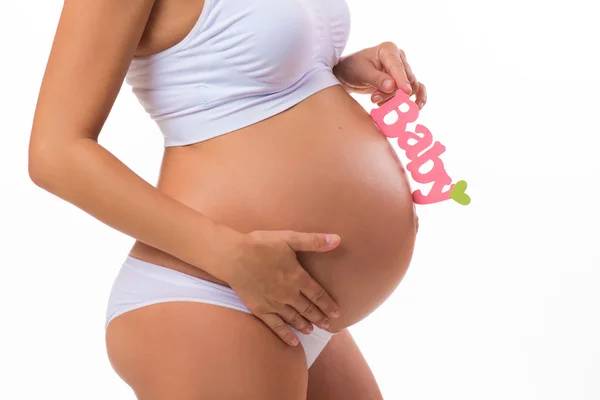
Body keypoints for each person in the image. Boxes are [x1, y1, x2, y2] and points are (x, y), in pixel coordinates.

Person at [28, 0, 427, 398]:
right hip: (215, 294)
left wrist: (332, 69)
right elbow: (55, 153)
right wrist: (229, 254)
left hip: (295, 303)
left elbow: (238, 68)